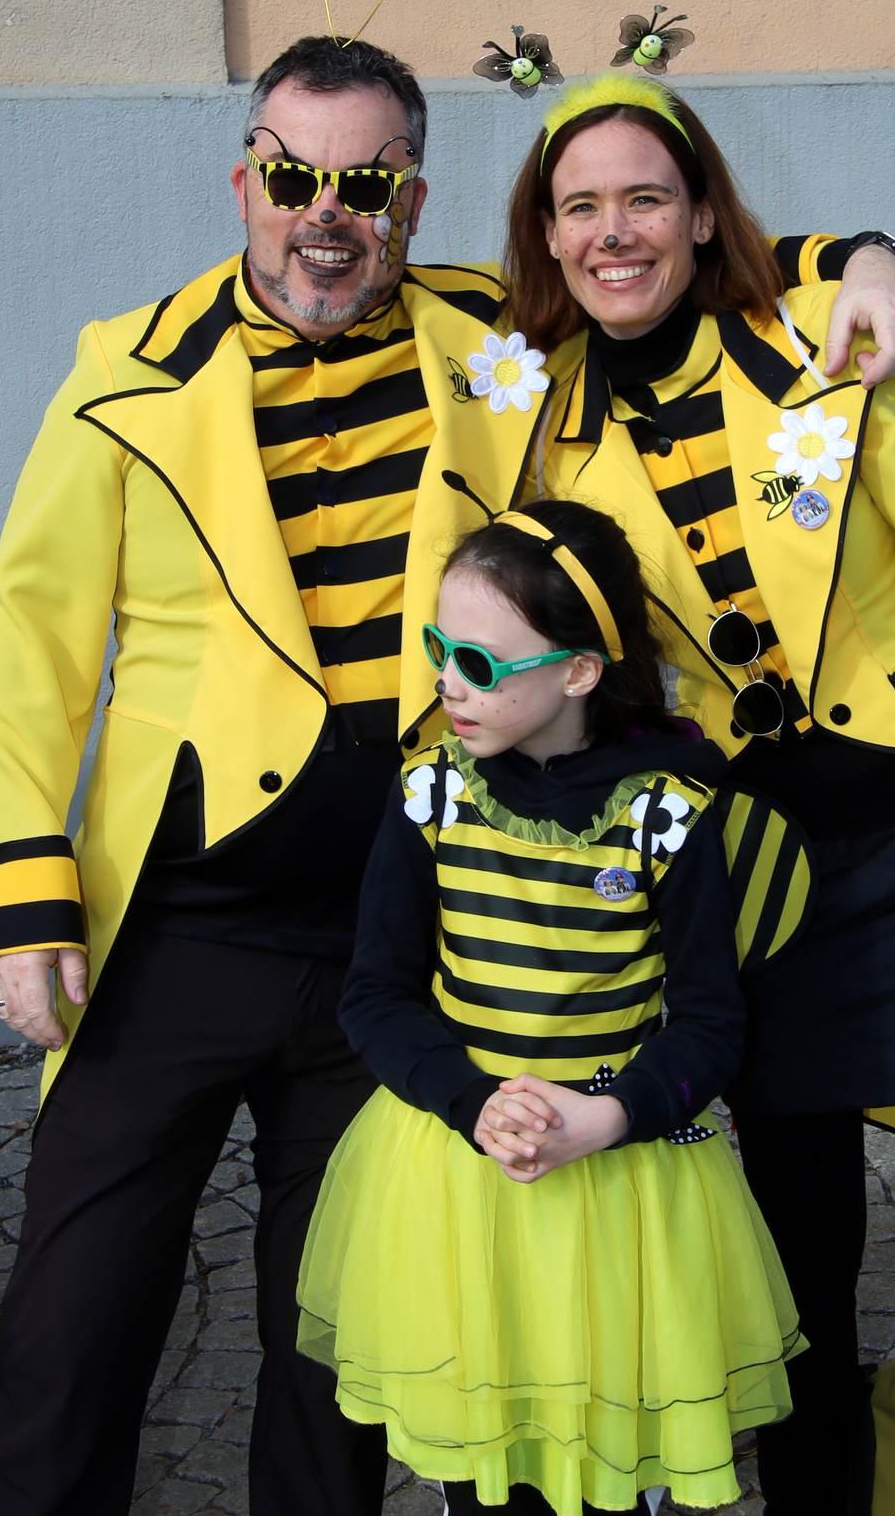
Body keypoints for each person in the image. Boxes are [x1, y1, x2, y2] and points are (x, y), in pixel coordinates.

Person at [0, 19, 895, 1513]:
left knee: (340, 1350)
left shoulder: (494, 345)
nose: (325, 212)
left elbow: (660, 269)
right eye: (294, 174)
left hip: (403, 928)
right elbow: (28, 640)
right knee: (70, 1322)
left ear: (412, 198)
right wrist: (23, 892)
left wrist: (862, 259)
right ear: (243, 183)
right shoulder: (127, 377)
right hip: (175, 927)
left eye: (368, 182)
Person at [506, 70, 895, 1515]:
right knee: (798, 1271)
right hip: (763, 897)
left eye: (646, 197)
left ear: (703, 213)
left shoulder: (827, 349)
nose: (613, 231)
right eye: (581, 207)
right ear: (549, 234)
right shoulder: (540, 426)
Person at [298, 498, 803, 1516]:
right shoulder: (427, 796)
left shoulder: (667, 816)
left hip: (622, 1184)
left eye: (478, 663)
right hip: (458, 1174)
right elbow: (376, 993)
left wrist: (609, 1115)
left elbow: (711, 1024)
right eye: (439, 649)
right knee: (481, 1474)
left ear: (576, 671)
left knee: (617, 1466)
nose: (446, 682)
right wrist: (470, 1101)